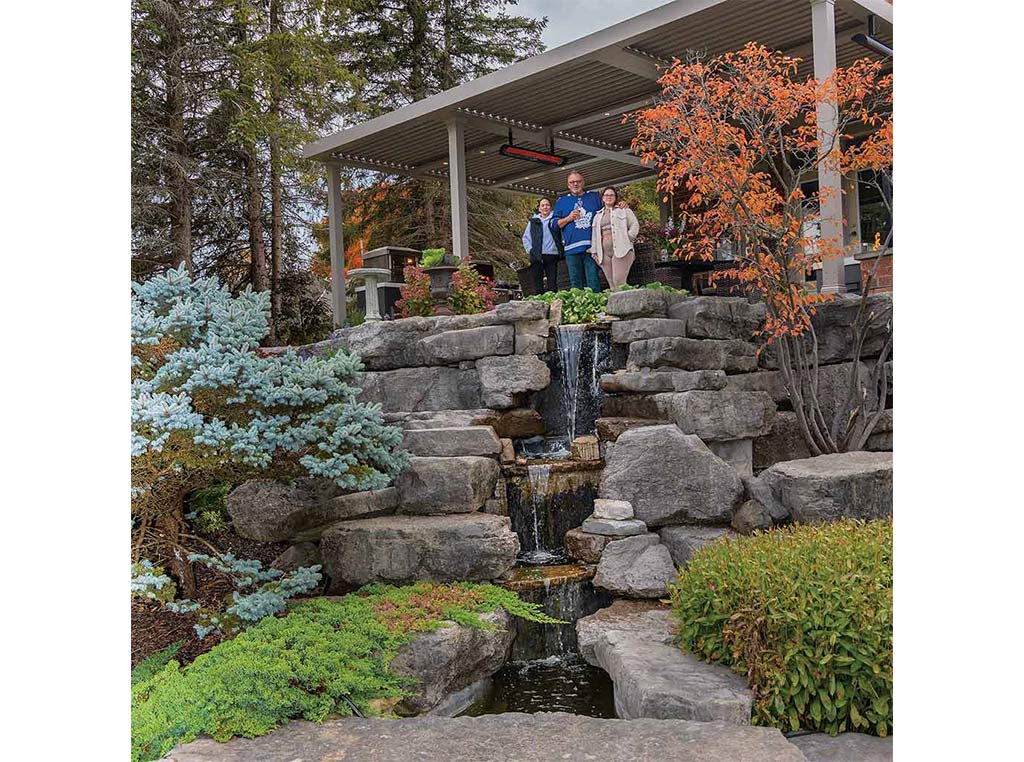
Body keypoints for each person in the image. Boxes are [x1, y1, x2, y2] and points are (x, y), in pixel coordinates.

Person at [551, 171, 603, 291]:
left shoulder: (594, 197)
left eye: (578, 181)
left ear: (583, 182)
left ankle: (596, 307)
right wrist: (568, 218)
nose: (575, 184)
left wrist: (621, 205)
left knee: (593, 280)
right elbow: (554, 225)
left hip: (591, 248)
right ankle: (579, 308)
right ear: (568, 185)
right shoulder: (561, 201)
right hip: (571, 249)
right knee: (575, 283)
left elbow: (608, 210)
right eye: (572, 182)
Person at [590, 186, 639, 289]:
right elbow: (594, 235)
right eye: (606, 195)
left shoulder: (624, 210)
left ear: (616, 197)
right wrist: (594, 253)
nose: (609, 197)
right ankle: (617, 305)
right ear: (602, 198)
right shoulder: (597, 216)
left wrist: (628, 238)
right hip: (604, 254)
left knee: (619, 281)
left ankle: (628, 303)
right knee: (612, 284)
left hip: (622, 250)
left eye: (611, 195)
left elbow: (635, 225)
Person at [521, 197, 563, 294]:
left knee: (552, 283)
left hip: (552, 255)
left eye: (547, 205)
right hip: (537, 255)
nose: (545, 207)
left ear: (551, 207)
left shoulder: (555, 220)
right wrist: (530, 250)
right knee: (537, 284)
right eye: (542, 205)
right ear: (539, 208)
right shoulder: (533, 221)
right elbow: (526, 238)